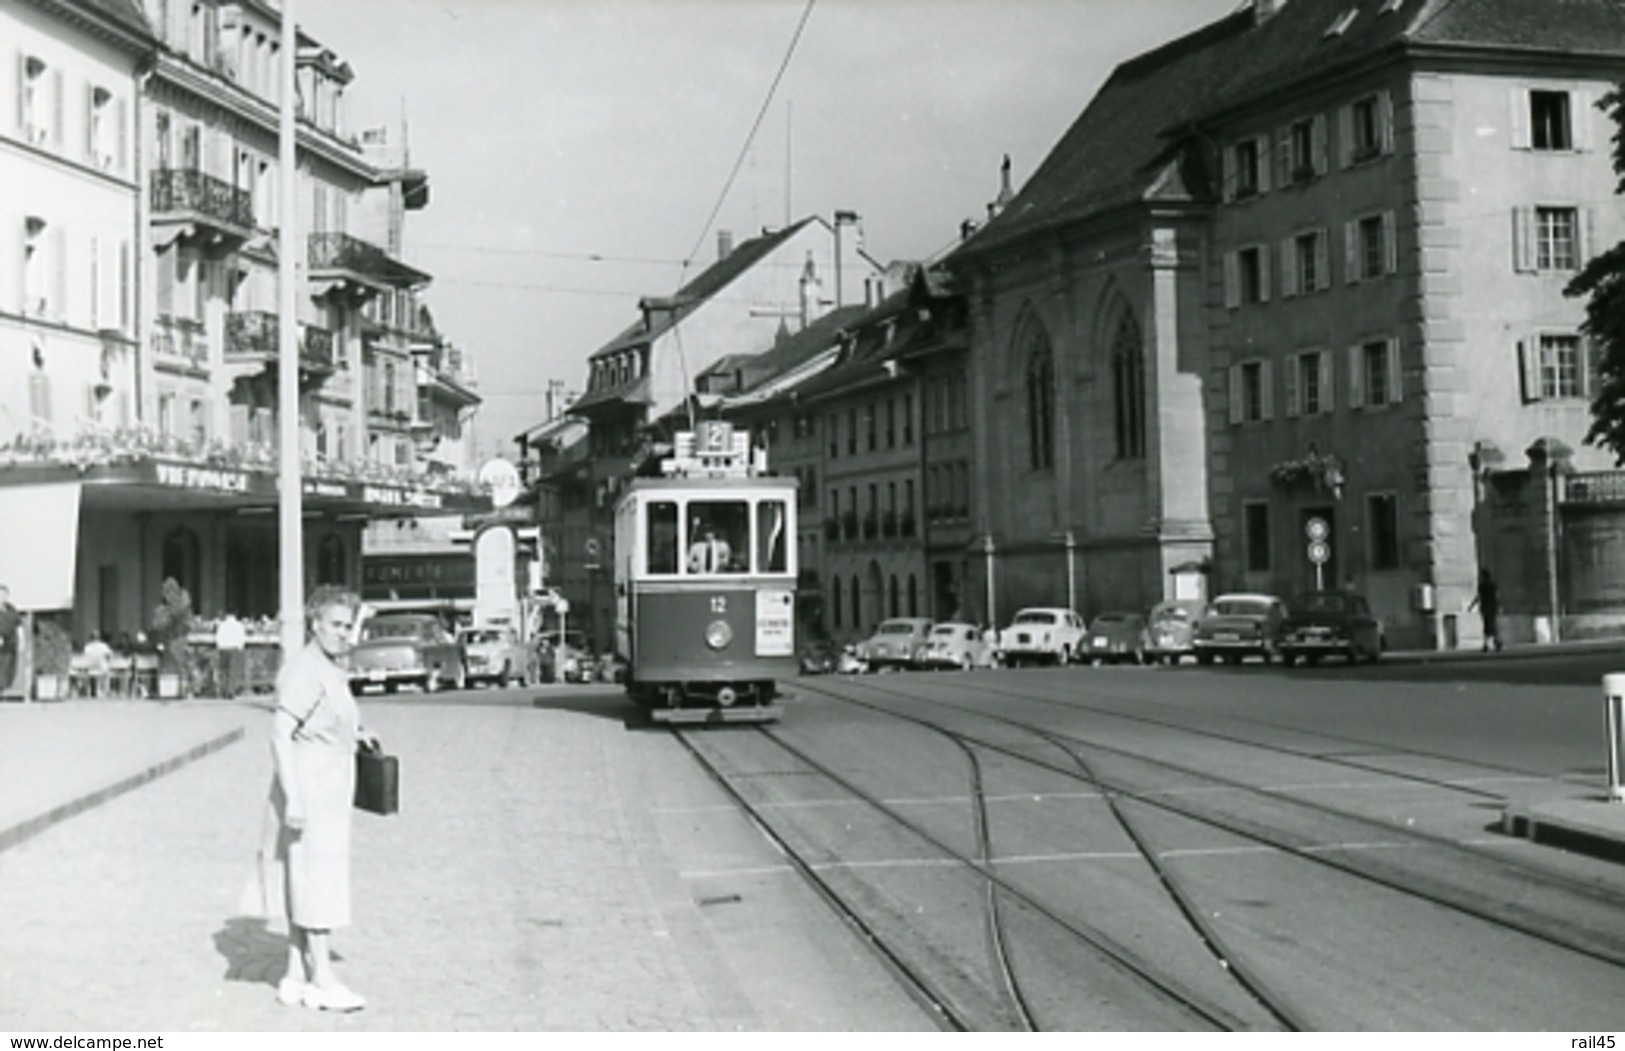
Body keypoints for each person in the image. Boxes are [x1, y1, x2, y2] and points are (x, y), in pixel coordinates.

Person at [261, 586, 375, 1012]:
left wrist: (356, 735)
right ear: (315, 624)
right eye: (336, 625)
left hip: (324, 780)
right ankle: (323, 979)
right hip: (310, 785)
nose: (344, 633)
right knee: (319, 877)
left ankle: (295, 971)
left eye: (348, 625)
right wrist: (293, 797)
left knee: (302, 874)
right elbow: (280, 731)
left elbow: (325, 717)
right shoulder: (307, 667)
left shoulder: (328, 666)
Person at [1469, 567, 1502, 652]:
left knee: (1487, 625)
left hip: (1485, 607)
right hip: (1492, 607)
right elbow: (1497, 597)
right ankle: (1495, 642)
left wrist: (1471, 606)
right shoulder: (1493, 585)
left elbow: (1478, 597)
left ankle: (1489, 644)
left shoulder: (1482, 586)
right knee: (1492, 624)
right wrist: (1499, 606)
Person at [216, 612, 247, 699]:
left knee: (224, 670)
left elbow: (218, 637)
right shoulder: (238, 625)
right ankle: (231, 691)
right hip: (234, 648)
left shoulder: (222, 625)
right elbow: (241, 638)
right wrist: (240, 647)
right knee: (232, 671)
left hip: (223, 648)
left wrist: (219, 647)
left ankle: (224, 691)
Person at [0, 585, 20, 694]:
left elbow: (18, 623)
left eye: (4, 595)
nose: (1, 597)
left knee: (8, 667)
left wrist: (21, 639)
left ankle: (4, 687)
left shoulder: (11, 609)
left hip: (10, 643)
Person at [81, 632, 114, 698]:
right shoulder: (103, 646)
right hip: (101, 668)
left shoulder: (87, 647)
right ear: (99, 638)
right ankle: (106, 691)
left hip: (90, 669)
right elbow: (110, 655)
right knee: (107, 674)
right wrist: (107, 662)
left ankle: (90, 691)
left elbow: (85, 657)